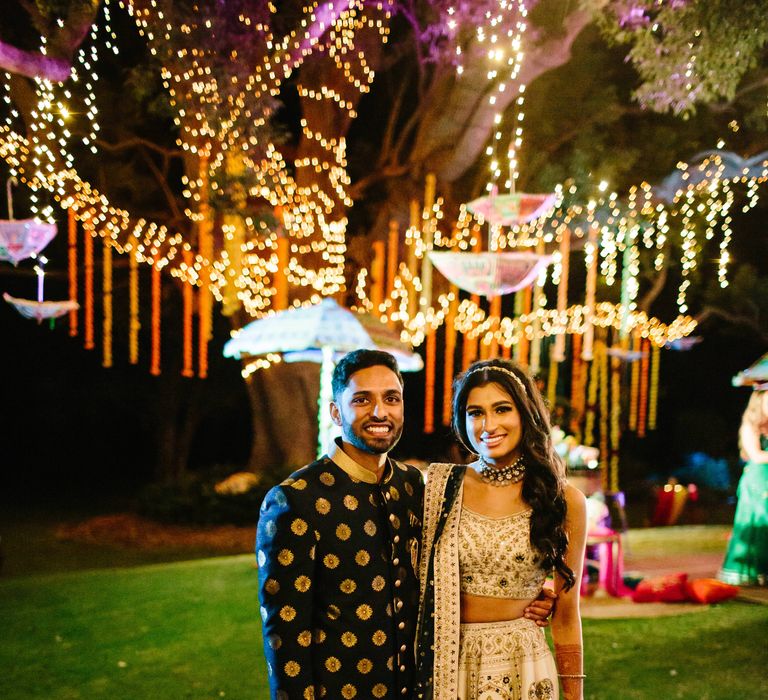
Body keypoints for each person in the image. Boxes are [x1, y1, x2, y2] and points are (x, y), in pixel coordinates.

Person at [256, 349, 555, 699]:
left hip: (418, 688)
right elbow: (285, 636)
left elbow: (449, 568)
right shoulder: (297, 499)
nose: (380, 412)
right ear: (336, 412)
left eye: (391, 398)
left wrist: (528, 596)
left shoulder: (413, 486)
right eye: (362, 400)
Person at [414, 358, 587, 700]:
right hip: (449, 665)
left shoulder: (563, 500)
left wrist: (574, 695)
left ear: (525, 414)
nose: (488, 424)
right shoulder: (439, 489)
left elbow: (567, 616)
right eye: (475, 413)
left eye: (502, 409)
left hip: (524, 666)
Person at [717, 387, 768, 586]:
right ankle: (752, 571)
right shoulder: (750, 427)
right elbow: (755, 455)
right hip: (758, 481)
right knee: (758, 524)